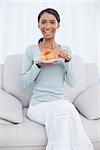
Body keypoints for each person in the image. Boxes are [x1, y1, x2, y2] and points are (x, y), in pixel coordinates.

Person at [20, 8, 94, 150]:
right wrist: (38, 65)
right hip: (38, 106)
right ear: (38, 25)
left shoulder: (65, 50)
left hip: (61, 103)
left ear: (58, 25)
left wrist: (68, 61)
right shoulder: (31, 51)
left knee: (64, 109)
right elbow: (23, 83)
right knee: (65, 109)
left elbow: (72, 83)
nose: (47, 26)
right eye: (43, 22)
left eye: (52, 22)